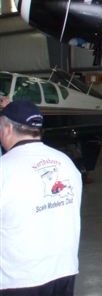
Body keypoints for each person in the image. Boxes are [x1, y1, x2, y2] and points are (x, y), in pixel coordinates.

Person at [0, 98, 82, 295]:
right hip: (64, 271)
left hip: (19, 279)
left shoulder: (4, 170)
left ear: (8, 129)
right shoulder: (66, 163)